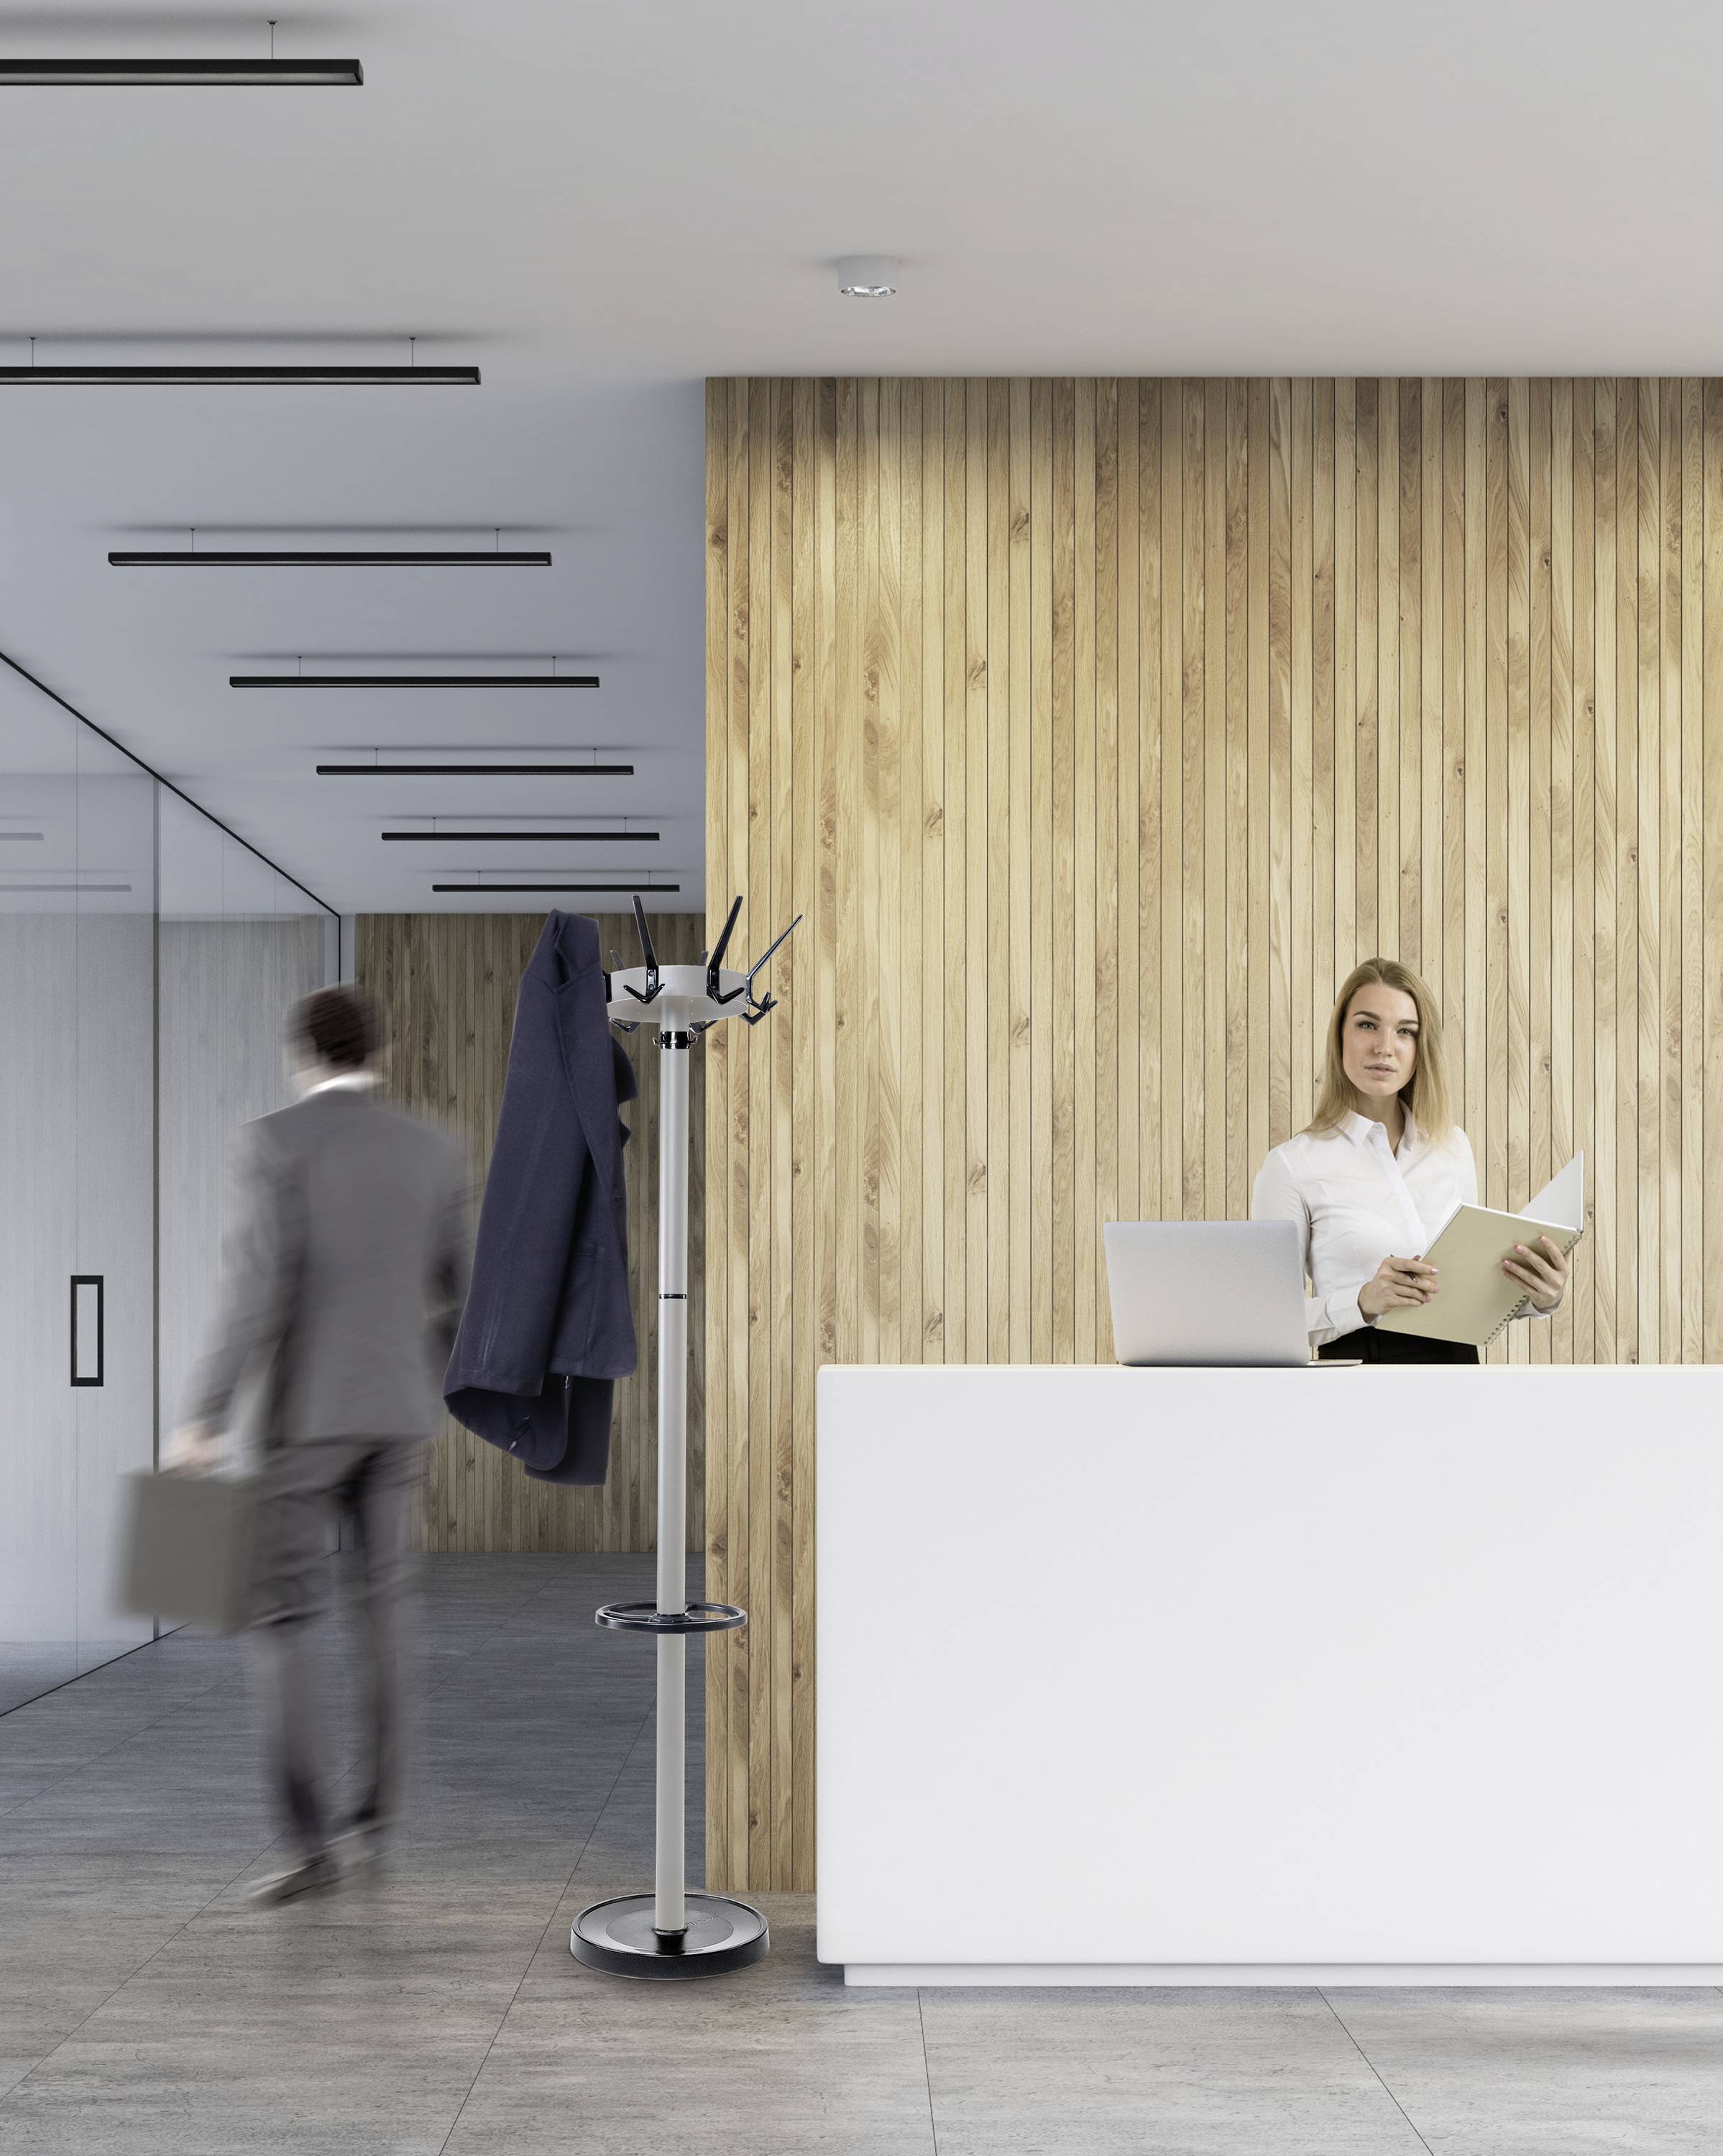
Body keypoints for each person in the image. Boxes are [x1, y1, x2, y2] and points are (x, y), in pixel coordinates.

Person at [170, 985, 472, 1901]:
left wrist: (204, 1415)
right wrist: (414, 1371)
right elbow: (464, 1290)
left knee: (286, 1624)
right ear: (376, 1051)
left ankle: (311, 1851)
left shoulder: (276, 1142)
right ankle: (376, 1818)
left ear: (304, 1054)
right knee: (385, 1620)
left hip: (304, 1422)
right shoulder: (434, 1147)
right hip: (398, 1415)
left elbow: (259, 1292)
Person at [1251, 957, 1568, 1363]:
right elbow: (1267, 1323)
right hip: (1358, 1382)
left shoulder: (1452, 1147)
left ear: (1421, 1049)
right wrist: (1364, 1301)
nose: (1385, 1047)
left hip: (1457, 1378)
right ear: (1340, 1037)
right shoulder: (1292, 1166)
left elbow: (1470, 1292)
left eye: (1405, 1031)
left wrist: (1540, 1296)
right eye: (1367, 1025)